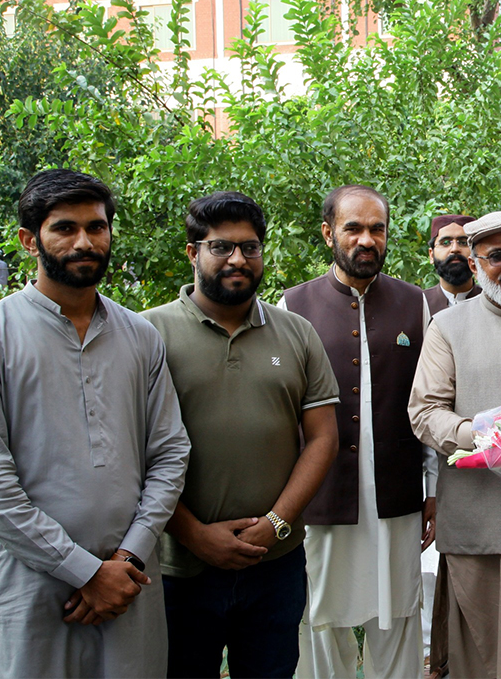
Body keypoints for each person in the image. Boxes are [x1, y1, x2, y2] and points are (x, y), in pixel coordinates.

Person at [0, 168, 190, 678]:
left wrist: (128, 559)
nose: (84, 241)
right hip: (28, 587)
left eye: (96, 227)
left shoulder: (140, 336)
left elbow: (170, 452)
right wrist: (85, 571)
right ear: (30, 240)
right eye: (65, 228)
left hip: (130, 586)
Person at [142, 192, 341, 678]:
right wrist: (194, 535)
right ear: (193, 252)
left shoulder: (296, 333)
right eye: (221, 247)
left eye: (250, 247)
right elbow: (133, 451)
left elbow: (322, 439)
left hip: (275, 563)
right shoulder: (147, 334)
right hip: (179, 567)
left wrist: (274, 523)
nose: (238, 259)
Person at [283, 184, 431, 679]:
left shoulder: (418, 305)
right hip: (323, 497)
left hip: (397, 493)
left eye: (377, 229)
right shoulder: (291, 305)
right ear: (329, 233)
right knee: (319, 618)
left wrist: (434, 490)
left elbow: (428, 406)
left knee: (401, 611)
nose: (367, 239)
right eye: (354, 228)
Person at [409, 210, 501, 678]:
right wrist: (494, 435)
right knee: (482, 660)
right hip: (481, 519)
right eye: (497, 256)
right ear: (474, 266)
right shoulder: (447, 328)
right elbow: (425, 412)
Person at [420, 213, 477, 679]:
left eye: (465, 242)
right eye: (447, 242)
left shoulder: (498, 304)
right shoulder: (417, 308)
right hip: (425, 459)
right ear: (432, 251)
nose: (456, 250)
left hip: (482, 467)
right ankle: (435, 658)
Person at [423, 214, 481, 315]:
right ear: (431, 255)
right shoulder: (419, 304)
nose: (454, 249)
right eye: (445, 243)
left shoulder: (494, 303)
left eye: (463, 243)